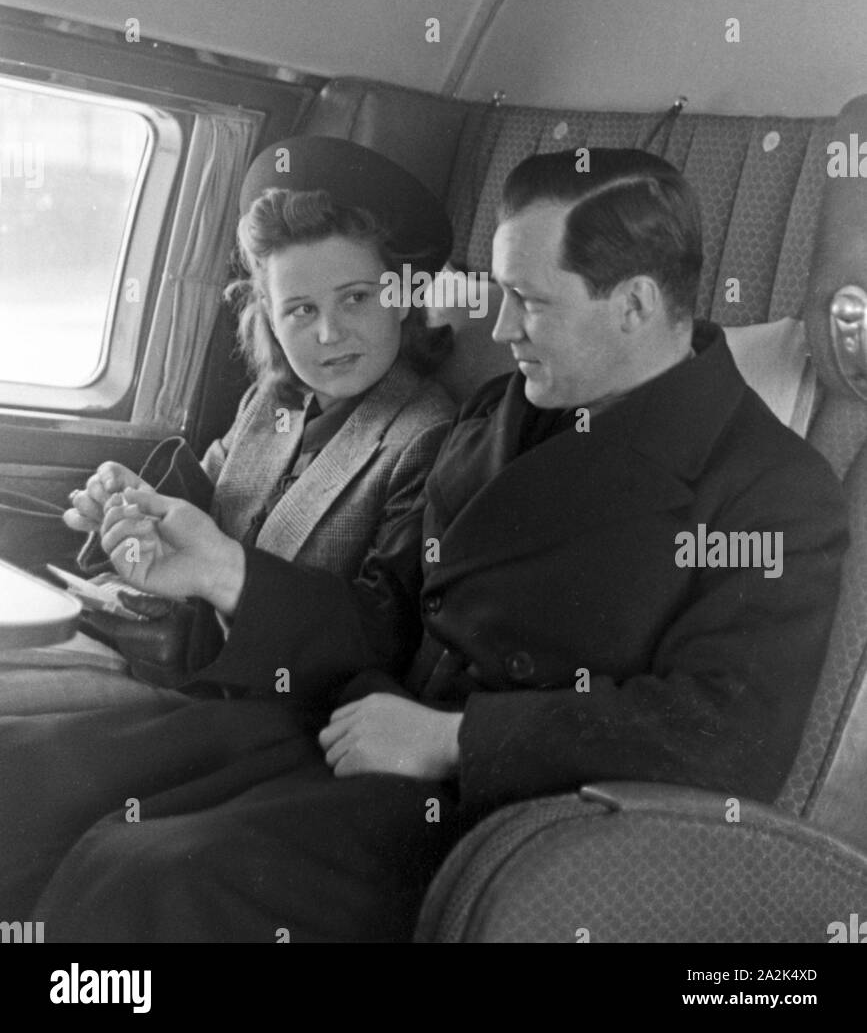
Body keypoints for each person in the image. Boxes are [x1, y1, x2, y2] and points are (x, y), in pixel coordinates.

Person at [0, 147, 847, 943]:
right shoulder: (497, 413)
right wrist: (224, 572)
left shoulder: (766, 489)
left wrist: (454, 739)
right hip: (356, 722)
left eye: (531, 300)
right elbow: (388, 616)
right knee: (36, 775)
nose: (500, 324)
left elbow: (723, 735)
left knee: (158, 872)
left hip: (498, 810)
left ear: (632, 304)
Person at [0, 136, 455, 711]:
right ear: (270, 315)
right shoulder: (269, 405)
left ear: (403, 297)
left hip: (268, 708)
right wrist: (135, 509)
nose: (328, 334)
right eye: (301, 309)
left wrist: (226, 573)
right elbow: (210, 505)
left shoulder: (428, 435)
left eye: (356, 298)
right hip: (171, 662)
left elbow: (388, 634)